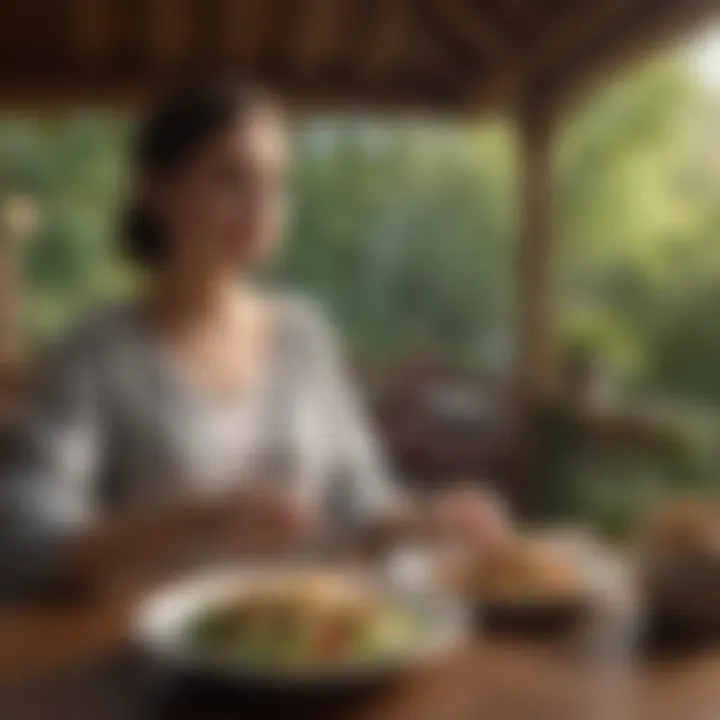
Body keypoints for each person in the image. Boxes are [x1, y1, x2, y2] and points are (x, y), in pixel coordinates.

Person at [0, 81, 509, 594]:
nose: (263, 205)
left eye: (276, 183)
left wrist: (427, 522)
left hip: (311, 649)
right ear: (156, 191)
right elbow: (23, 539)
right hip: (142, 660)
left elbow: (363, 501)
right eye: (232, 179)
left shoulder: (304, 337)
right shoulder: (95, 352)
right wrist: (195, 519)